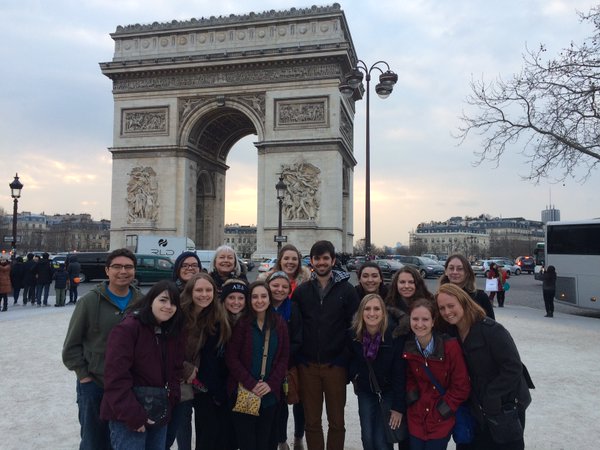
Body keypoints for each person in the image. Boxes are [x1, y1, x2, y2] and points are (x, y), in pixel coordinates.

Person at [62, 248, 144, 450]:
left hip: (129, 384)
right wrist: (84, 376)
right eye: (117, 266)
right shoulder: (89, 302)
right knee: (93, 441)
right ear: (107, 270)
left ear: (134, 271)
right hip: (95, 383)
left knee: (122, 439)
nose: (123, 271)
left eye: (128, 267)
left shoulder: (143, 303)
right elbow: (71, 346)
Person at [436, 283, 532, 450]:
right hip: (474, 410)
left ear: (463, 302)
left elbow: (513, 367)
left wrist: (491, 396)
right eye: (442, 308)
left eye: (451, 306)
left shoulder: (491, 330)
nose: (447, 312)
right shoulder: (451, 333)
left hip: (503, 408)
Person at [291, 240, 360, 450]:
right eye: (317, 258)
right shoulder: (302, 292)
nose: (321, 262)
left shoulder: (347, 291)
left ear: (333, 260)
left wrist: (345, 358)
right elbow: (296, 328)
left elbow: (354, 328)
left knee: (337, 421)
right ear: (311, 261)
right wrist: (300, 358)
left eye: (325, 258)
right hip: (308, 366)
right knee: (311, 422)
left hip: (336, 365)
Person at [100, 280, 185, 449]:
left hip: (159, 409)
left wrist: (171, 397)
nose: (168, 306)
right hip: (128, 413)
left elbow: (175, 369)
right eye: (163, 300)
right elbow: (115, 377)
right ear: (151, 299)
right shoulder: (128, 329)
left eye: (173, 303)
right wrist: (132, 414)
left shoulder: (171, 331)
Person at [166, 273, 233, 450]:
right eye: (199, 290)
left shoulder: (214, 315)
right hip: (174, 378)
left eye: (208, 290)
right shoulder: (176, 314)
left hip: (198, 383)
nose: (204, 294)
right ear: (190, 292)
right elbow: (164, 347)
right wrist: (185, 368)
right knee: (173, 430)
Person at [225, 281, 290, 450]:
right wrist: (251, 383)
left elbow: (283, 357)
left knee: (266, 441)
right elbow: (232, 358)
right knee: (247, 442)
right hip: (245, 392)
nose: (259, 300)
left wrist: (271, 384)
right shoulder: (242, 324)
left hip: (269, 395)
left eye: (263, 296)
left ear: (269, 299)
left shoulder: (280, 324)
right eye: (254, 297)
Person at [403, 298, 470, 450]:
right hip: (417, 416)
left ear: (433, 321)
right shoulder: (408, 347)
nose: (420, 324)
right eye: (415, 319)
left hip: (441, 417)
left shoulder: (450, 347)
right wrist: (412, 397)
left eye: (425, 319)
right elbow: (409, 377)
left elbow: (462, 385)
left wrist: (445, 407)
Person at [348, 294, 407, 450]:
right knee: (367, 437)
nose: (372, 313)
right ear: (361, 312)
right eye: (367, 309)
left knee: (382, 440)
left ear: (383, 312)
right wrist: (355, 374)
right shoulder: (354, 334)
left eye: (376, 309)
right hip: (366, 391)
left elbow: (399, 373)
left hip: (388, 392)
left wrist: (398, 407)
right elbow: (349, 359)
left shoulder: (393, 335)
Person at [266, 271, 305, 450]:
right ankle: (281, 439)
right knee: (278, 407)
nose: (279, 290)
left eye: (284, 287)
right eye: (275, 285)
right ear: (268, 286)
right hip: (267, 367)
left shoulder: (294, 309)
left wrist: (282, 359)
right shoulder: (261, 306)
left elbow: (298, 338)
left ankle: (297, 437)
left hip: (288, 365)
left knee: (296, 402)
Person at [439, 254, 494, 319]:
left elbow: (492, 326)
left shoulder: (480, 297)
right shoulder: (439, 297)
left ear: (467, 272)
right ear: (446, 271)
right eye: (451, 268)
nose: (455, 272)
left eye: (460, 269)